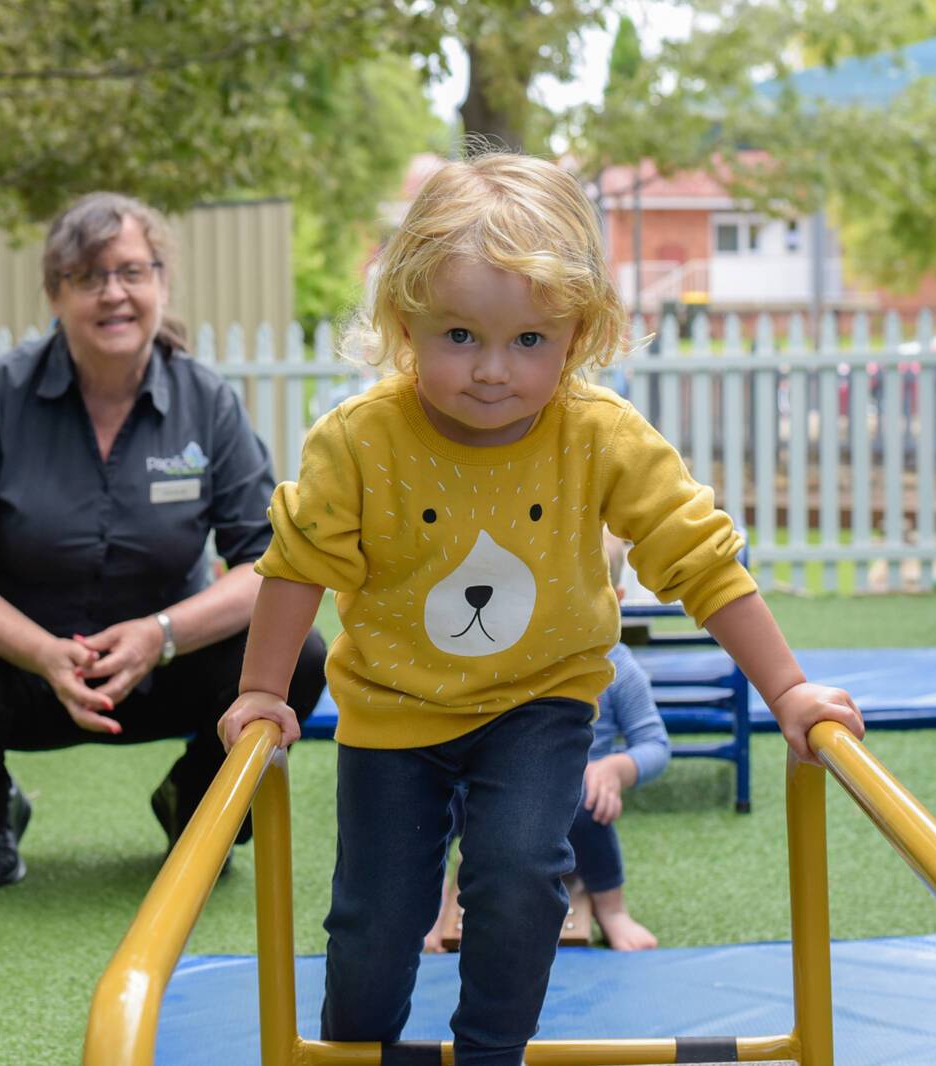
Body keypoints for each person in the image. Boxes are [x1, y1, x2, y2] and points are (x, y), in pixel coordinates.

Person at [216, 152, 863, 1065]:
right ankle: (355, 1048)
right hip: (393, 714)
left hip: (539, 703)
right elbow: (298, 564)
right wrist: (260, 690)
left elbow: (701, 559)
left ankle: (491, 1053)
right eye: (458, 336)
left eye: (529, 340)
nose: (491, 370)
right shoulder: (359, 441)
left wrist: (789, 690)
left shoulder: (599, 436)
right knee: (375, 919)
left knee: (523, 873)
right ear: (405, 322)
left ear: (579, 332)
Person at [0, 192, 326, 889]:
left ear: (162, 283)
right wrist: (41, 652)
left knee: (298, 653)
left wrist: (161, 634)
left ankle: (196, 809)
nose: (113, 294)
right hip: (26, 670)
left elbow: (266, 566)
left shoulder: (206, 403)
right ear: (56, 294)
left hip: (166, 664)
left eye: (131, 272)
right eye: (89, 277)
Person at [424, 534, 668, 954]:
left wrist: (612, 769)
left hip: (574, 797)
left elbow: (654, 743)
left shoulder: (618, 669)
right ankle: (434, 908)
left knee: (583, 799)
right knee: (442, 799)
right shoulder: (512, 658)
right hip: (497, 789)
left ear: (617, 598)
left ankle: (613, 909)